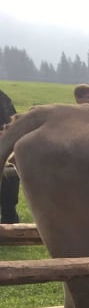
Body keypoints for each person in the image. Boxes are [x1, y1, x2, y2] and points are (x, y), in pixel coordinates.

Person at [0, 88, 19, 224]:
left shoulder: (2, 97)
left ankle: (10, 226)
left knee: (8, 196)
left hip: (4, 145)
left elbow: (11, 121)